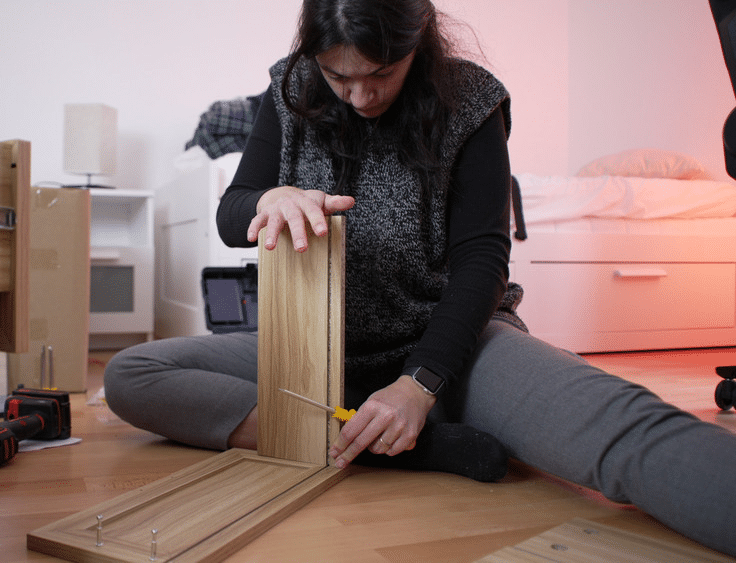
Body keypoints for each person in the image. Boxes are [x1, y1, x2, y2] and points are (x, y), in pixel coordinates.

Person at [104, 0, 736, 556]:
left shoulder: (471, 101)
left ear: (417, 40)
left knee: (623, 431)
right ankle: (403, 446)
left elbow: (483, 264)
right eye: (339, 76)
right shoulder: (290, 87)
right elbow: (231, 209)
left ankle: (395, 427)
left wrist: (419, 385)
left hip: (449, 355)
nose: (359, 97)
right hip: (314, 360)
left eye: (380, 73)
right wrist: (265, 201)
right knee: (131, 376)